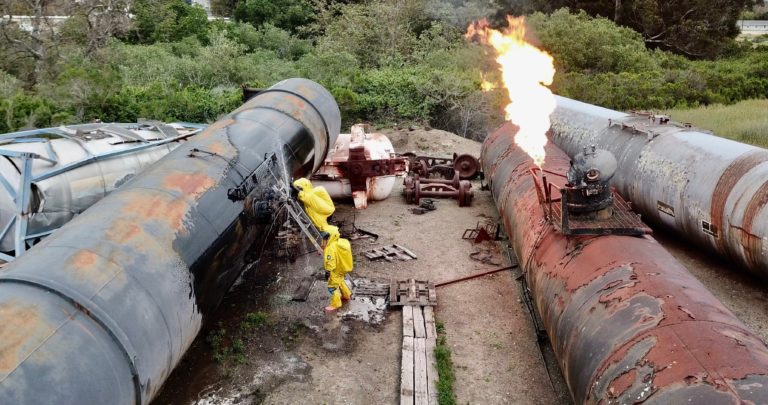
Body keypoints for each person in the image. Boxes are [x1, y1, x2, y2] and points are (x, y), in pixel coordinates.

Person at [321, 225, 353, 313]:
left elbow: (331, 262)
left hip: (335, 270)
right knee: (340, 281)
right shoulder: (340, 242)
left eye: (325, 237)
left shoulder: (330, 248)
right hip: (342, 268)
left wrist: (328, 271)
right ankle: (346, 295)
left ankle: (335, 304)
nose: (324, 238)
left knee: (332, 287)